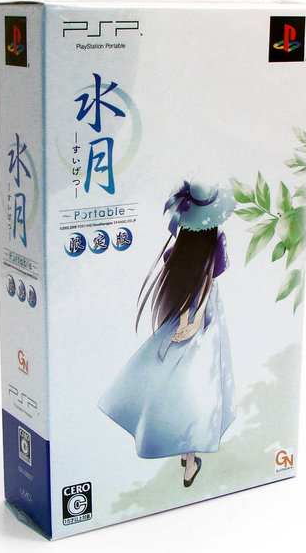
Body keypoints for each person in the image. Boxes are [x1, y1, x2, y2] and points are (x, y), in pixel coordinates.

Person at [99, 177, 237, 487]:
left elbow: (197, 282)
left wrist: (190, 320)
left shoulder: (186, 241)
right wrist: (191, 320)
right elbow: (201, 282)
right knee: (193, 383)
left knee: (184, 380)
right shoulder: (208, 240)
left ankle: (187, 454)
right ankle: (189, 455)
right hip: (196, 314)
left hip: (194, 313)